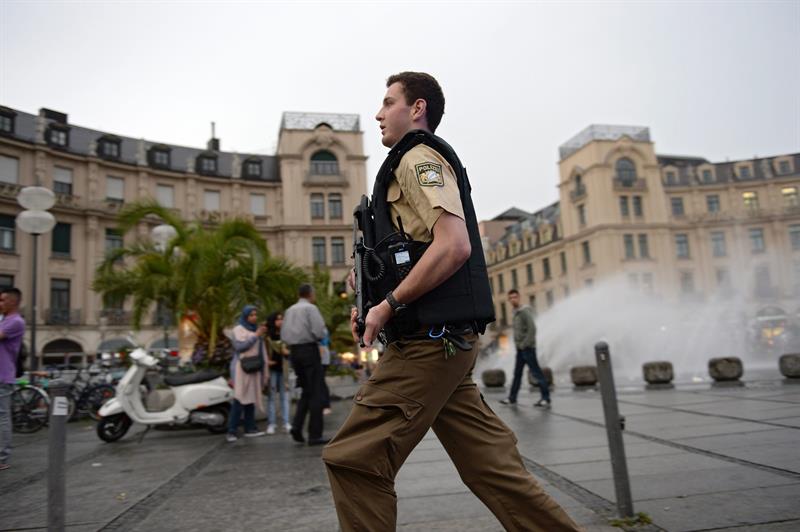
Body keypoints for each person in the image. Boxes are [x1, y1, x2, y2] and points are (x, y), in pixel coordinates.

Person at [322, 72, 580, 531]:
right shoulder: (406, 163)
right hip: (444, 344)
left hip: (428, 344)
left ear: (416, 108)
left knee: (354, 460)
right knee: (492, 469)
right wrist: (370, 288)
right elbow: (414, 250)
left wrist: (387, 307)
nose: (378, 114)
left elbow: (453, 245)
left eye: (387, 103)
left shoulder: (419, 159)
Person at [280, 284, 329, 445]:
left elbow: (284, 334)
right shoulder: (310, 309)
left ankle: (297, 426)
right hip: (309, 350)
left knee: (306, 392)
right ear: (310, 294)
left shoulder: (289, 310)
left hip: (295, 352)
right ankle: (315, 434)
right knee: (316, 392)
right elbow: (319, 330)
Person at [501, 289, 551, 408]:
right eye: (511, 298)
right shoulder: (516, 312)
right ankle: (512, 398)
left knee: (537, 373)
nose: (513, 299)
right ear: (509, 300)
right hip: (520, 349)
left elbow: (532, 329)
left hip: (527, 348)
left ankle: (545, 398)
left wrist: (524, 344)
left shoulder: (524, 312)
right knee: (517, 374)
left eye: (515, 297)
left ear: (519, 297)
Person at [227, 305, 269, 442]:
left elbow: (261, 351)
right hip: (241, 369)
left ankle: (250, 428)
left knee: (250, 398)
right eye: (251, 315)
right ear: (245, 316)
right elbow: (240, 347)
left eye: (255, 315)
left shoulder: (255, 329)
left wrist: (264, 370)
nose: (254, 317)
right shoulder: (238, 330)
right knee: (239, 398)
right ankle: (231, 431)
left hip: (253, 368)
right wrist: (255, 336)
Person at [0, 288, 26, 471]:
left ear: (12, 302)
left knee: (2, 417)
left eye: (2, 300)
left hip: (2, 375)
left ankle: (2, 456)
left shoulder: (15, 322)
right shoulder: (4, 320)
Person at [265, 311, 291, 434]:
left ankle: (286, 422)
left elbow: (290, 349)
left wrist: (288, 352)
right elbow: (263, 352)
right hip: (271, 370)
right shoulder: (267, 336)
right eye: (277, 319)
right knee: (271, 397)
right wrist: (266, 361)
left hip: (283, 368)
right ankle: (271, 424)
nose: (280, 321)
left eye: (281, 319)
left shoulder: (285, 334)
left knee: (284, 397)